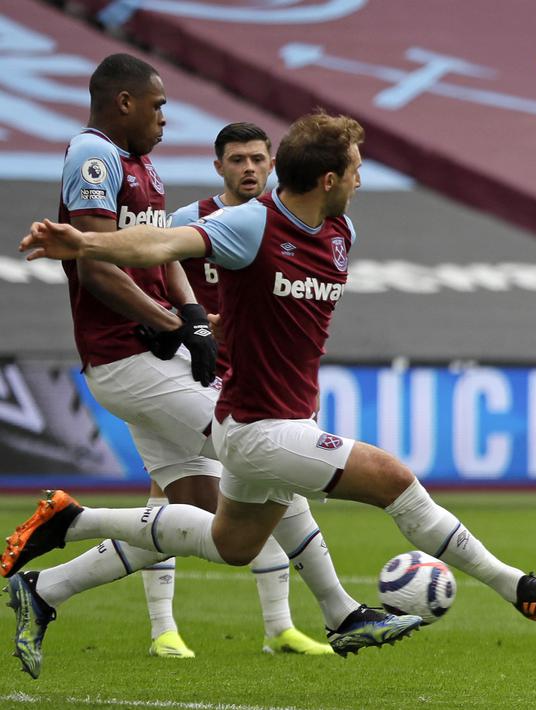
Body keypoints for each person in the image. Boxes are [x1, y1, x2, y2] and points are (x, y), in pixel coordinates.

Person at [8, 110, 536, 678]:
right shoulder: (251, 224)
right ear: (329, 179)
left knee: (231, 543)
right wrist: (85, 241)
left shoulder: (341, 232)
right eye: (355, 169)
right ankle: (514, 586)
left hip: (284, 420)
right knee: (394, 480)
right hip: (258, 428)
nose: (360, 180)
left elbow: (274, 312)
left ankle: (70, 529)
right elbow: (162, 243)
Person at [9, 54, 327, 671]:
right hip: (127, 357)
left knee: (199, 511)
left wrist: (192, 318)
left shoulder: (142, 165)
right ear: (123, 102)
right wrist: (171, 324)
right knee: (264, 450)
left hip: (152, 355)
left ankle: (46, 589)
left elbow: (161, 257)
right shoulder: (93, 155)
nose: (164, 118)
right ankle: (339, 612)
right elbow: (97, 267)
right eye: (157, 106)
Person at [134, 121, 335, 658]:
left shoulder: (282, 224)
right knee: (176, 493)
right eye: (238, 159)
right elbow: (149, 272)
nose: (249, 168)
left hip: (253, 385)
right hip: (190, 373)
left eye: (257, 159)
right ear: (218, 166)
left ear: (273, 165)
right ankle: (162, 629)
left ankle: (280, 627)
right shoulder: (190, 221)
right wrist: (179, 323)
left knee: (265, 494)